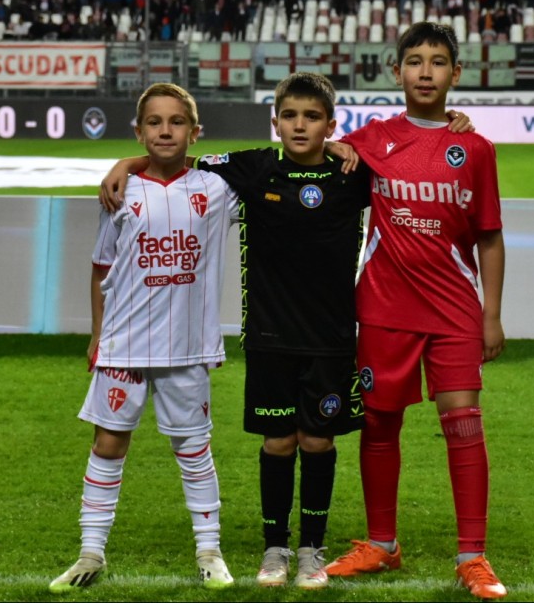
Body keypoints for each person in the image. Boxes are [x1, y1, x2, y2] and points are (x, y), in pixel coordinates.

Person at [98, 72, 474, 590]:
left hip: (333, 338)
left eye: (313, 117)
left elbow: (411, 164)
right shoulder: (252, 169)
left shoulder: (353, 174)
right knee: (279, 443)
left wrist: (451, 128)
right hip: (271, 337)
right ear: (275, 123)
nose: (301, 126)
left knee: (317, 443)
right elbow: (175, 162)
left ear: (331, 125)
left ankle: (311, 551)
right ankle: (274, 549)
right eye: (291, 116)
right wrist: (128, 162)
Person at [323, 21, 508, 599]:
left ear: (456, 73)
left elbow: (489, 237)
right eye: (414, 61)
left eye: (437, 61)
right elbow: (312, 145)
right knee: (379, 422)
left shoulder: (474, 148)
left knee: (463, 423)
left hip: (454, 310)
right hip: (382, 307)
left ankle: (472, 557)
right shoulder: (372, 139)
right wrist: (130, 164)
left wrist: (492, 315)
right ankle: (382, 545)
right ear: (396, 71)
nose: (425, 71)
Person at [49, 83, 238, 594]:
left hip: (187, 346)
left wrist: (127, 159)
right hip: (124, 343)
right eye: (153, 123)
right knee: (108, 444)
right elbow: (100, 268)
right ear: (138, 130)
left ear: (194, 132)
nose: (164, 131)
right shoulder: (119, 193)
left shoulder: (216, 188)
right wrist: (97, 335)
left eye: (176, 122)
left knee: (194, 448)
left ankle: (209, 550)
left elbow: (275, 160)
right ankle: (90, 551)